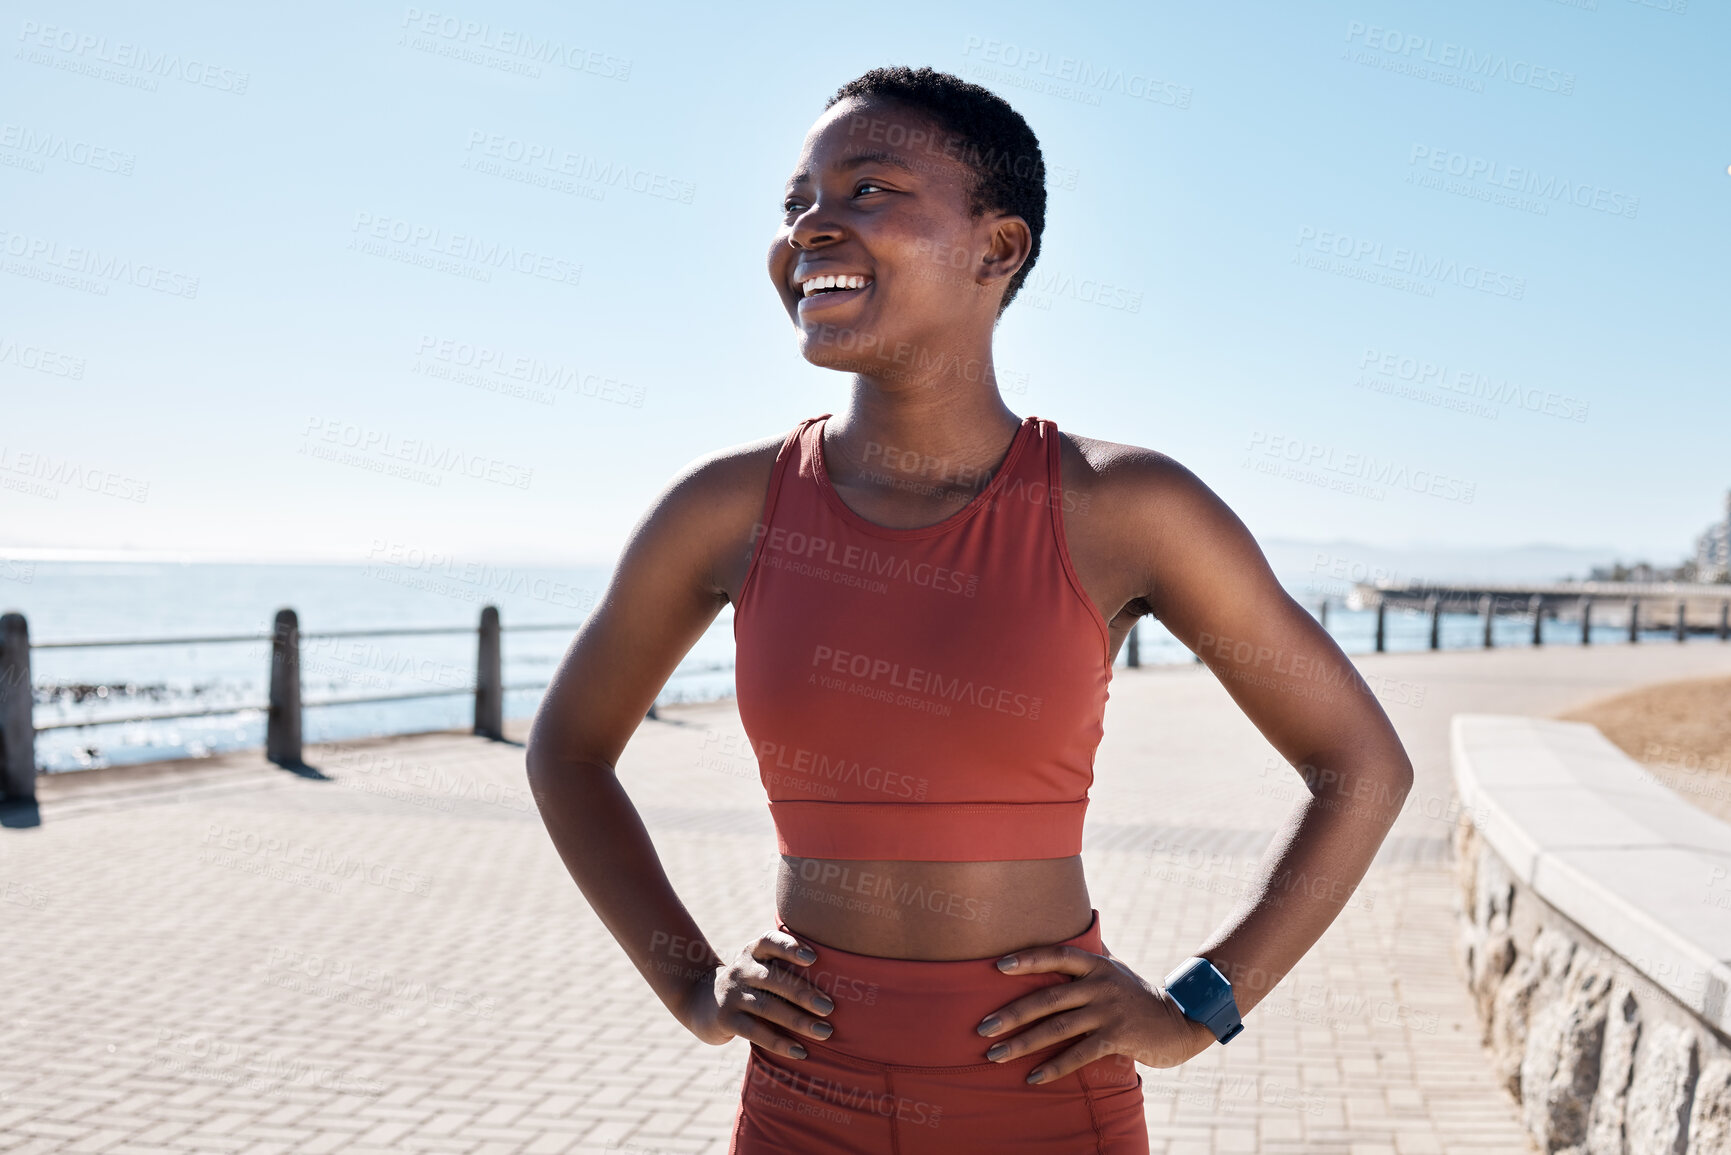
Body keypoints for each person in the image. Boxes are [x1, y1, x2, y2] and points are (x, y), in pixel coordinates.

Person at [526, 65, 1414, 1154]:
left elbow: (1362, 766)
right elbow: (568, 750)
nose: (811, 227)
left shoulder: (1125, 507)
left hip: (1044, 1093)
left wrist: (1199, 1005)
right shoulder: (725, 510)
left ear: (998, 250)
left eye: (867, 192)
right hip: (806, 1094)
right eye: (797, 202)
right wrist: (695, 988)